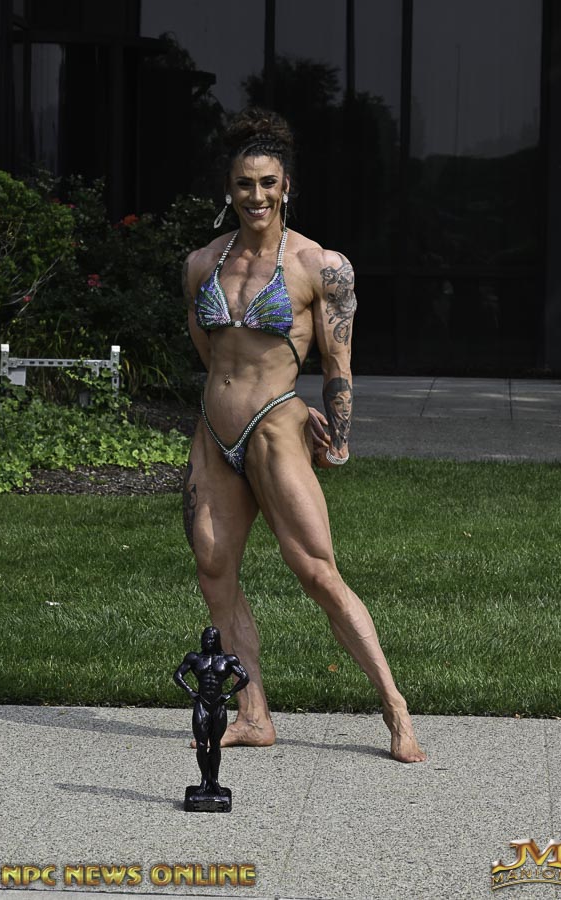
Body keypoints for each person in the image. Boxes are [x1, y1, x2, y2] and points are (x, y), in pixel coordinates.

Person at [181, 108, 425, 763]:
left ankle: (395, 708)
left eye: (268, 183)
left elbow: (338, 362)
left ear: (286, 185)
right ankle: (253, 713)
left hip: (274, 430)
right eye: (244, 184)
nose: (256, 195)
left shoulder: (320, 264)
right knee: (214, 572)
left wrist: (336, 438)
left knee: (316, 571)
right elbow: (211, 352)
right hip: (213, 435)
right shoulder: (202, 263)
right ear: (228, 189)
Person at [174, 626, 250, 795]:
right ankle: (203, 780)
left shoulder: (227, 660)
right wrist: (191, 692)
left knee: (215, 744)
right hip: (202, 704)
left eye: (209, 639)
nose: (206, 642)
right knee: (201, 745)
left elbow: (244, 677)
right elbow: (178, 675)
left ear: (216, 641)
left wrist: (229, 694)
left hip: (217, 705)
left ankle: (214, 780)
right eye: (204, 638)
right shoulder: (195, 658)